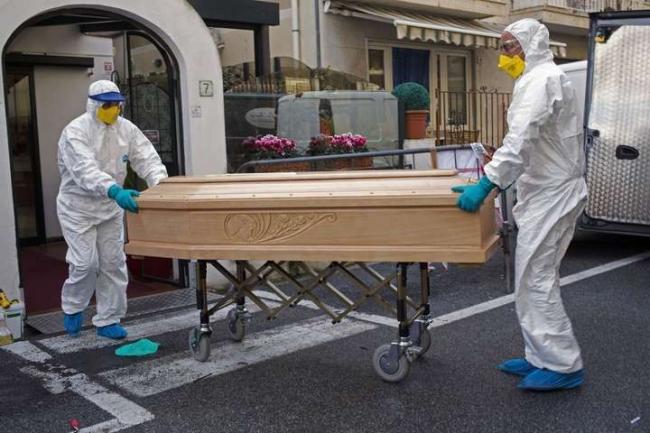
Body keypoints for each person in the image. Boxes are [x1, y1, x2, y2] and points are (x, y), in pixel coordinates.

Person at [451, 19, 587, 391]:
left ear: (531, 45)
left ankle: (563, 364)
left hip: (554, 194)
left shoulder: (542, 80)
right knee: (532, 278)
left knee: (536, 278)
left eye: (510, 47)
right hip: (545, 191)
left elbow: (521, 140)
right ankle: (540, 355)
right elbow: (532, 144)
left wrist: (488, 183)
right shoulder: (536, 79)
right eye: (503, 47)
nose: (504, 56)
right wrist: (496, 172)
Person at [57, 80, 168, 339]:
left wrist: (161, 187)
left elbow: (147, 158)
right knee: (85, 264)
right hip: (78, 208)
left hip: (110, 208)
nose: (112, 110)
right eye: (106, 105)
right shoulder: (75, 132)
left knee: (113, 263)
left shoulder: (126, 129)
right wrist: (115, 190)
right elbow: (85, 171)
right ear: (93, 105)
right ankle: (73, 306)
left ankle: (108, 319)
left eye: (116, 105)